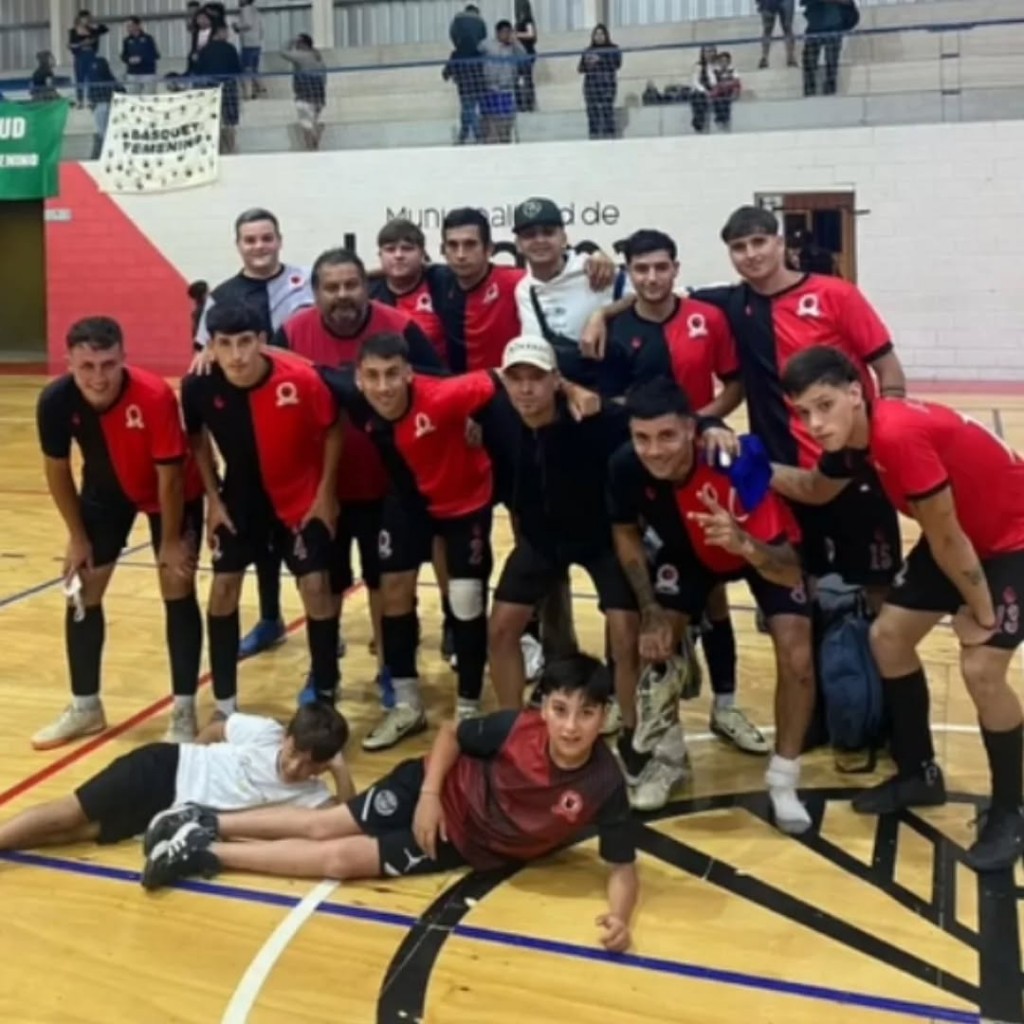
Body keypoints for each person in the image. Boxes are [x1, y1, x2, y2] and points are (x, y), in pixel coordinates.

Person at [141, 652, 640, 952]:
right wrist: (429, 796)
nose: (571, 726)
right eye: (560, 710)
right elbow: (451, 733)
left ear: (604, 717)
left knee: (339, 860)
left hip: (458, 842)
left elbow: (622, 866)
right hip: (429, 788)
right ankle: (207, 819)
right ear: (544, 709)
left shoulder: (603, 783)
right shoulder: (514, 729)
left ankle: (202, 851)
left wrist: (621, 918)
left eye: (586, 714)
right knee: (326, 825)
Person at [777, 346, 1024, 871]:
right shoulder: (854, 440)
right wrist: (749, 464)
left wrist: (980, 615)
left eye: (825, 405)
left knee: (981, 668)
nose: (815, 424)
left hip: (1012, 539)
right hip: (962, 536)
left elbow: (948, 538)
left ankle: (1012, 809)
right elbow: (815, 489)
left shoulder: (895, 434)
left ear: (855, 393)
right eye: (804, 412)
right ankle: (919, 773)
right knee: (887, 638)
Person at [608, 378, 813, 824]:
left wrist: (744, 544)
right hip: (689, 555)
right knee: (654, 647)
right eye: (642, 437)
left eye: (667, 435)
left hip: (760, 549)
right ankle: (668, 759)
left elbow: (789, 568)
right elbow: (624, 533)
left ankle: (784, 780)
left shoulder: (736, 461)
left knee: (797, 654)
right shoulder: (626, 465)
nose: (654, 450)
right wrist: (650, 610)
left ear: (691, 429)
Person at [596, 229, 765, 755]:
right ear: (629, 272)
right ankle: (636, 702)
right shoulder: (615, 327)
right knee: (641, 597)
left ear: (675, 268)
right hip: (642, 465)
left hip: (699, 459)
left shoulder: (707, 317)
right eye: (641, 269)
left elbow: (734, 383)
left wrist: (700, 424)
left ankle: (726, 705)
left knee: (714, 592)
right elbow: (611, 400)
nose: (651, 278)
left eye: (660, 267)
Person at [272, 248, 443, 706]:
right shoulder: (291, 333)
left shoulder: (401, 328)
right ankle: (323, 674)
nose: (343, 294)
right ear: (315, 293)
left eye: (351, 285)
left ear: (367, 287)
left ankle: (389, 669)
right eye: (332, 287)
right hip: (321, 489)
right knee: (321, 586)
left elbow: (436, 385)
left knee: (385, 584)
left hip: (387, 485)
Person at [319, 333, 500, 750]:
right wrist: (213, 356)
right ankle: (406, 704)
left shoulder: (447, 394)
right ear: (359, 378)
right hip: (406, 503)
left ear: (409, 374)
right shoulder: (352, 392)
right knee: (394, 591)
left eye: (392, 374)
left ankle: (469, 707)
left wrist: (483, 423)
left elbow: (502, 379)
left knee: (466, 599)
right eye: (373, 376)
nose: (383, 386)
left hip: (463, 502)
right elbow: (305, 368)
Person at [34, 317, 204, 749]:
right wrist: (77, 536)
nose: (98, 377)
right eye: (87, 366)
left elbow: (170, 478)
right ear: (69, 362)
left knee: (176, 583)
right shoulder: (55, 400)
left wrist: (170, 542)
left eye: (108, 364)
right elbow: (57, 469)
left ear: (123, 358)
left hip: (171, 493)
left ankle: (184, 710)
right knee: (81, 588)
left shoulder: (154, 395)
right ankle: (85, 707)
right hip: (105, 492)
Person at [181, 302, 343, 715]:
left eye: (245, 342)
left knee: (315, 586)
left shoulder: (301, 379)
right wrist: (213, 499)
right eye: (225, 344)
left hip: (299, 496)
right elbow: (196, 439)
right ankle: (225, 703)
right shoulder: (198, 385)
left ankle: (324, 687)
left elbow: (333, 430)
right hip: (239, 499)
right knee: (222, 588)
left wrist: (325, 494)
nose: (236, 355)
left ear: (263, 342)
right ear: (211, 346)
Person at [478, 336, 638, 727]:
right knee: (500, 630)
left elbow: (654, 417)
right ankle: (512, 727)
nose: (526, 388)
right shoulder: (495, 414)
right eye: (517, 379)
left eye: (536, 378)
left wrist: (710, 425)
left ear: (556, 381)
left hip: (601, 539)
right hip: (541, 540)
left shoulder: (593, 415)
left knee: (626, 635)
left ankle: (633, 730)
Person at [195, 208, 314, 660]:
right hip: (249, 427)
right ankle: (269, 618)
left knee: (310, 550)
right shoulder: (221, 297)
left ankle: (324, 629)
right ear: (238, 245)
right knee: (259, 531)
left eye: (266, 238)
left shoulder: (305, 283)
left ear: (279, 240)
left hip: (300, 416)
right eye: (250, 240)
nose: (259, 246)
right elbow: (204, 355)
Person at [0, 705, 351, 853]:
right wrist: (191, 758)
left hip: (170, 812)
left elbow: (344, 819)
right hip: (161, 768)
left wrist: (341, 770)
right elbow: (217, 729)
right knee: (69, 814)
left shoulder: (312, 794)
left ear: (322, 767)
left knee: (84, 833)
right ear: (286, 737)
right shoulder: (265, 733)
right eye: (293, 753)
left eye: (309, 765)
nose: (295, 768)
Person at [579, 25, 621, 140]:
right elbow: (580, 68)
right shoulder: (588, 51)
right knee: (593, 115)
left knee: (607, 113)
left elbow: (617, 64)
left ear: (606, 35)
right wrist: (589, 62)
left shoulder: (613, 49)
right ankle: (594, 139)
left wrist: (600, 59)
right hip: (591, 87)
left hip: (607, 86)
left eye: (601, 34)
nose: (599, 36)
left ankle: (610, 139)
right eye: (596, 34)